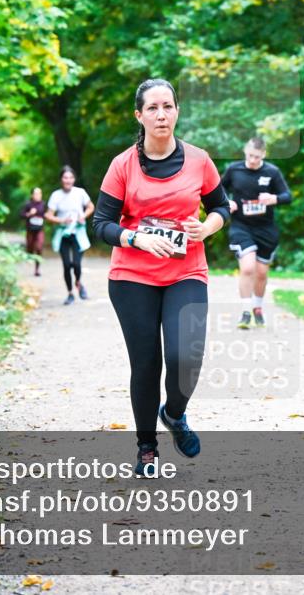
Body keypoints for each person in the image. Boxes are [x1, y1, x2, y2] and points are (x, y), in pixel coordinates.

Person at [92, 78, 229, 476]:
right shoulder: (123, 165)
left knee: (186, 357)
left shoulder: (199, 160)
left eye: (167, 106)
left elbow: (221, 207)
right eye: (152, 108)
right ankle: (147, 448)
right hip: (132, 276)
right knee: (147, 362)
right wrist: (136, 237)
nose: (161, 114)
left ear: (177, 112)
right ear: (140, 115)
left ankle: (174, 413)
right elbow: (100, 225)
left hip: (186, 271)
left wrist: (209, 227)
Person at [221, 137, 292, 329]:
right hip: (241, 226)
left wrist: (273, 198)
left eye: (257, 157)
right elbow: (218, 190)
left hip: (266, 229)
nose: (253, 160)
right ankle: (245, 312)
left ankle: (257, 308)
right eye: (250, 156)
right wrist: (228, 202)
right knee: (248, 268)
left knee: (261, 273)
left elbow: (288, 196)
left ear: (264, 155)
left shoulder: (271, 172)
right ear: (245, 151)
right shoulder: (234, 170)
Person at [46, 166, 94, 305]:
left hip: (78, 234)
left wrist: (83, 216)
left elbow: (91, 207)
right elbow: (48, 215)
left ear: (74, 179)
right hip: (63, 235)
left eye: (70, 177)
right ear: (61, 179)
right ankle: (70, 293)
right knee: (67, 265)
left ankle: (78, 283)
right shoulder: (56, 195)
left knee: (77, 264)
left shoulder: (80, 193)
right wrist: (61, 220)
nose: (68, 180)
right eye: (65, 177)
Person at [20, 187, 46, 277]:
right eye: (36, 193)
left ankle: (37, 269)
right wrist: (29, 214)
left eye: (40, 193)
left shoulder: (43, 204)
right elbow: (21, 215)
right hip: (30, 230)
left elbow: (47, 215)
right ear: (32, 195)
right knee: (30, 248)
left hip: (40, 229)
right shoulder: (28, 204)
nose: (38, 195)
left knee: (39, 247)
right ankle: (29, 258)